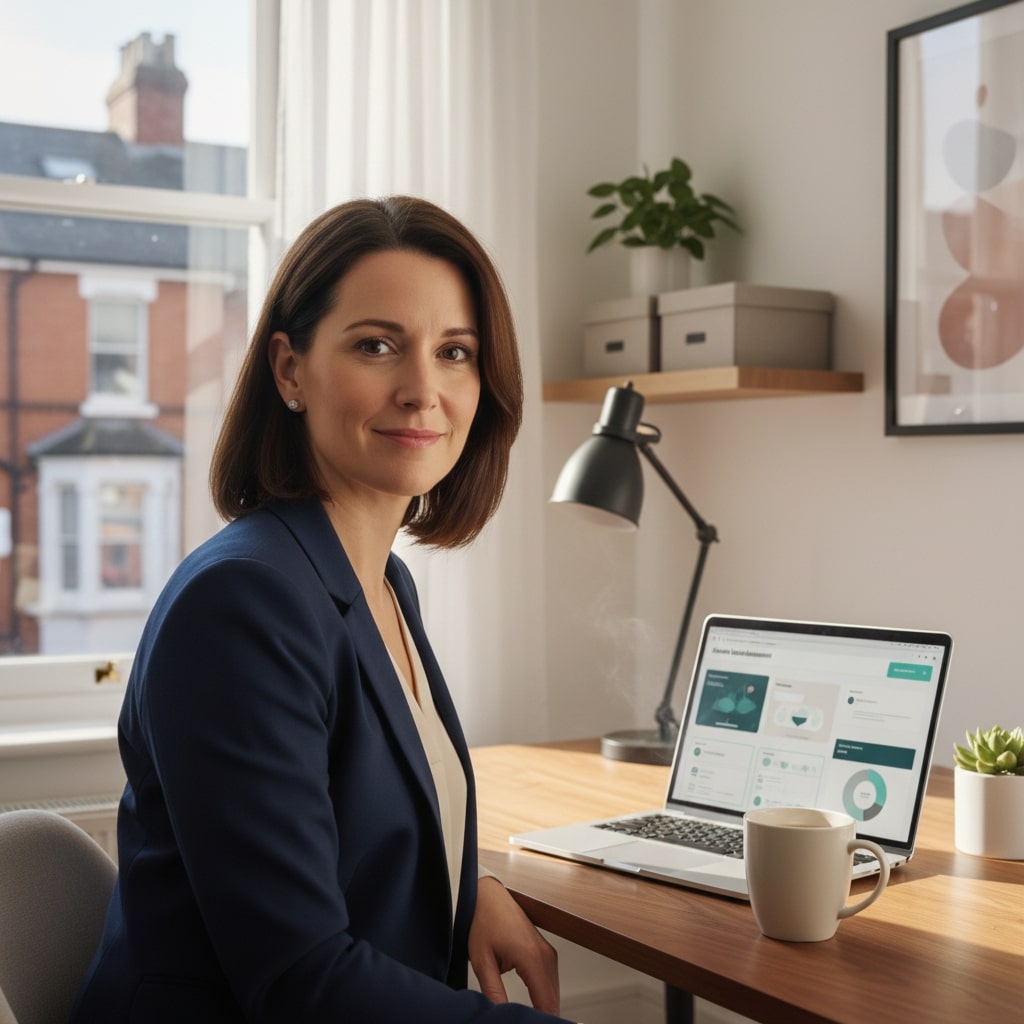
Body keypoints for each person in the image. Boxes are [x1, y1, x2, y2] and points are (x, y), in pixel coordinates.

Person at [70, 196, 574, 1023]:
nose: (422, 391)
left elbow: (355, 822)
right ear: (290, 370)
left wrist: (467, 888)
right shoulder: (243, 603)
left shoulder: (381, 582)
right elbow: (300, 980)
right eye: (377, 345)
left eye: (454, 352)